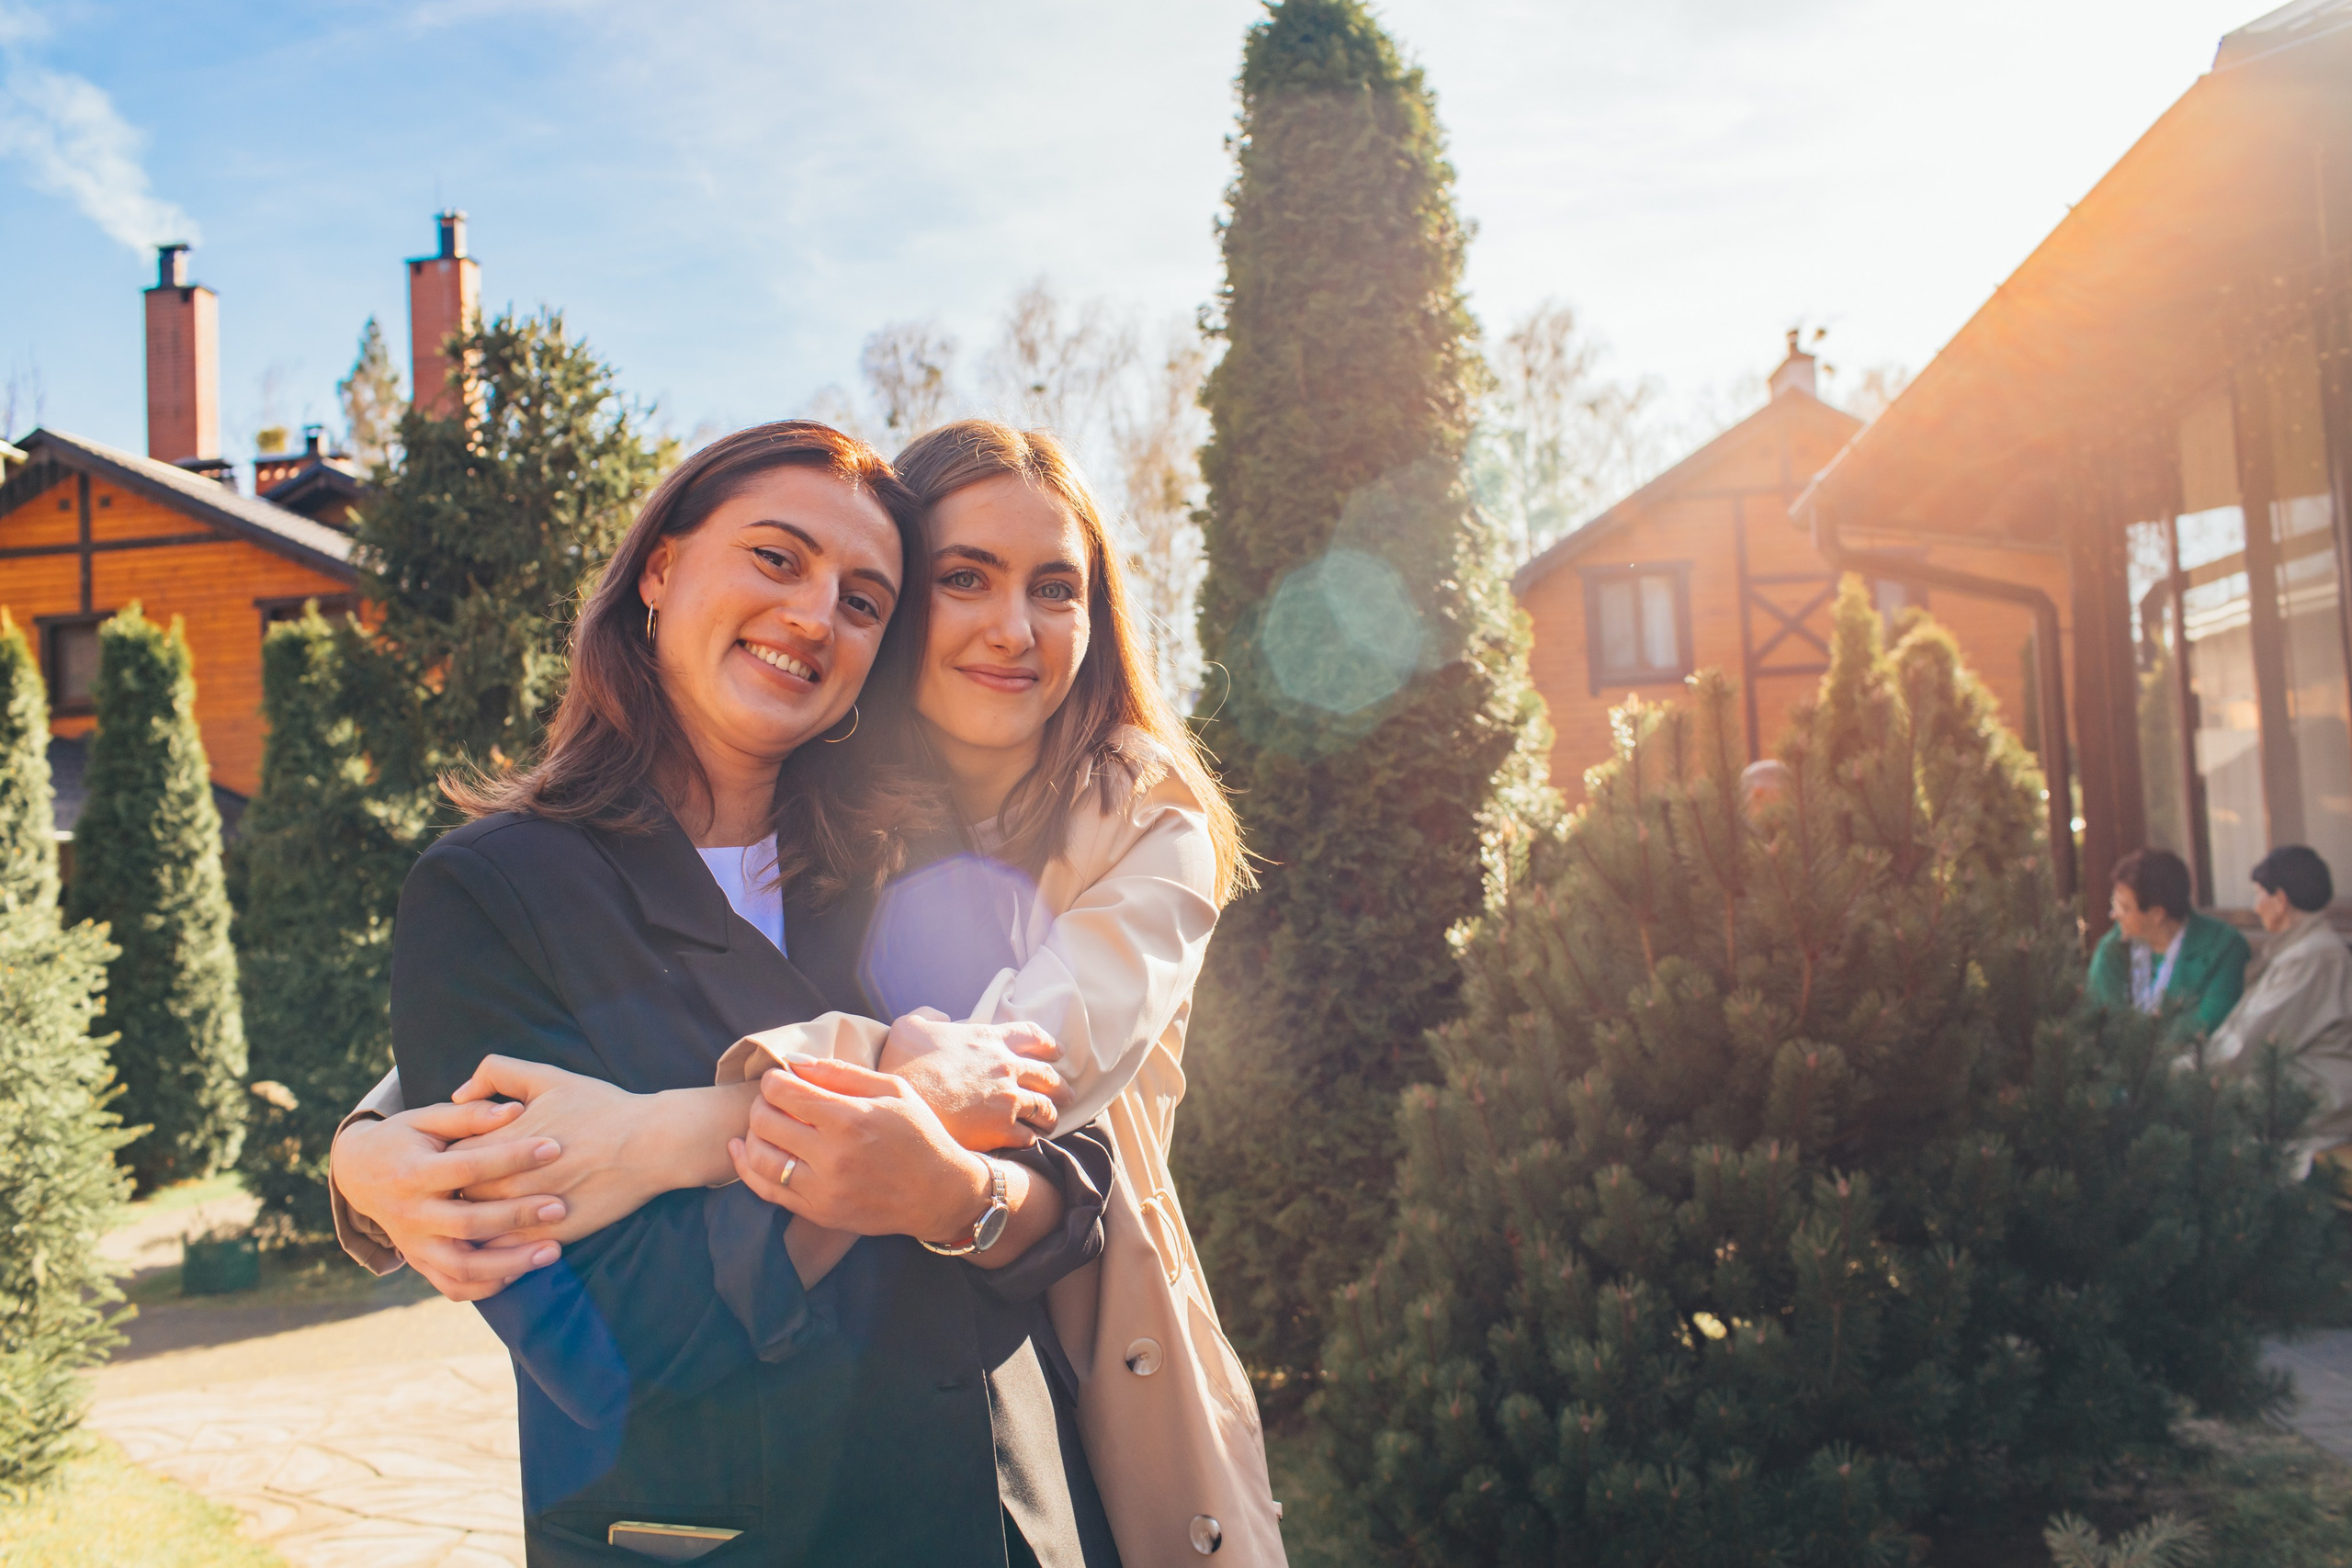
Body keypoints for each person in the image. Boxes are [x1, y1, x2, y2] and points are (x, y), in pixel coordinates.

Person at [332, 422, 1285, 1566]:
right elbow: (618, 1343)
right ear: (661, 566)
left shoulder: (900, 854)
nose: (812, 615)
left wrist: (929, 1185)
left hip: (1007, 1519)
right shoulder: (498, 887)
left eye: (865, 597)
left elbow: (1066, 1179)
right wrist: (368, 1146)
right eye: (776, 560)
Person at [2205, 845, 2352, 1179]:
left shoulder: (2315, 956)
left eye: (2259, 895)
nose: (2255, 907)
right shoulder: (2303, 950)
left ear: (2280, 899)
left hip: (2321, 1094)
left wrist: (2186, 1068)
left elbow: (2250, 1043)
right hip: (2303, 1087)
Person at [2088, 847, 2249, 1038]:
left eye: (2124, 908)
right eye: (2114, 904)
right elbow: (2102, 1020)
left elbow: (2206, 1024)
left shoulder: (2224, 947)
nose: (2113, 915)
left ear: (2157, 914)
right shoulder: (2112, 948)